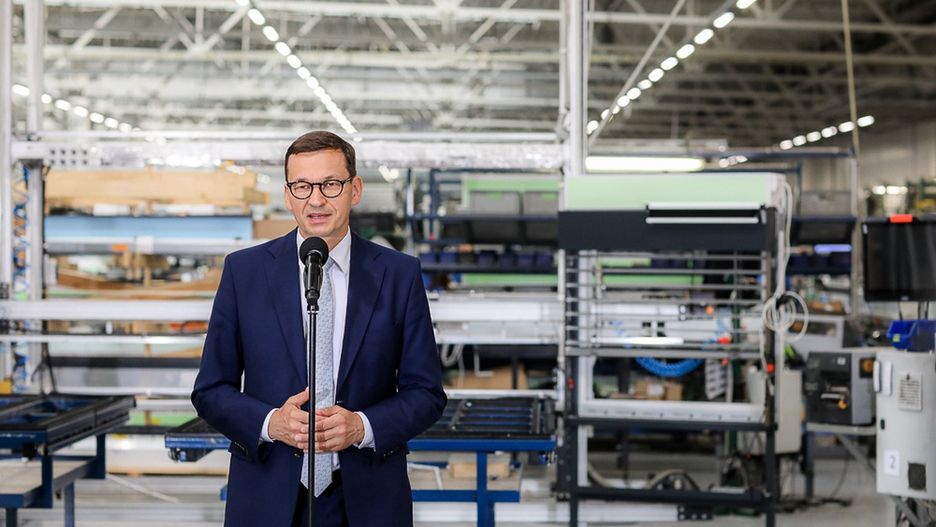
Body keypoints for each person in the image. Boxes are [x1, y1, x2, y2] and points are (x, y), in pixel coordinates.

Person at [192, 131, 446, 527]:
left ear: (355, 189)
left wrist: (361, 427)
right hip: (267, 494)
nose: (316, 199)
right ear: (288, 194)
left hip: (368, 496)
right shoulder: (245, 272)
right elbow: (210, 390)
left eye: (330, 184)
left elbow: (426, 393)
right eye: (302, 186)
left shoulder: (398, 275)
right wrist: (270, 423)